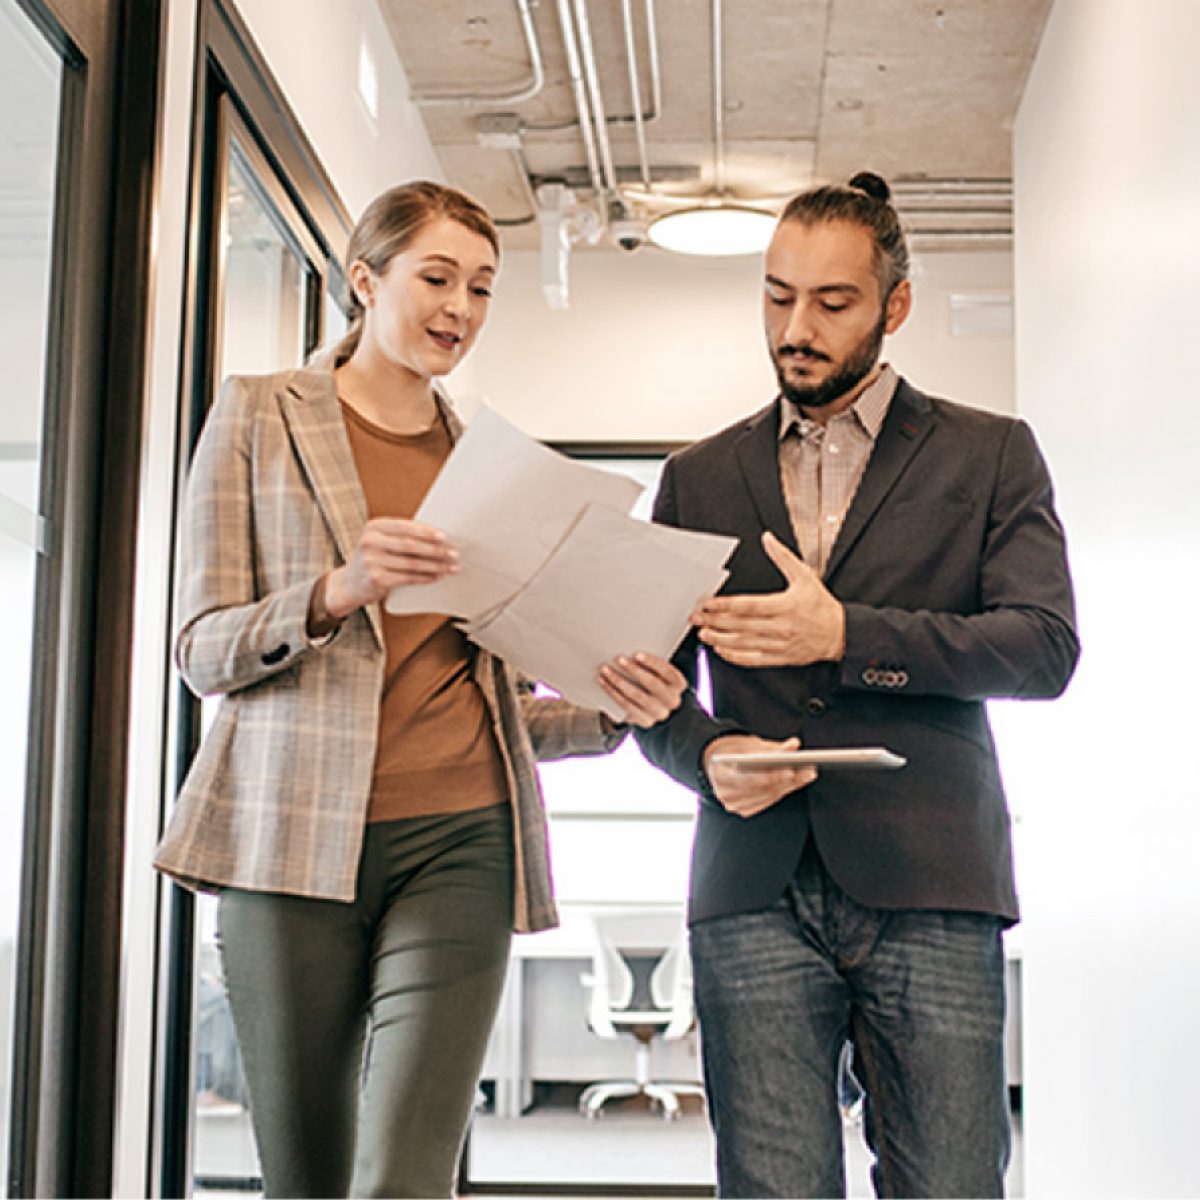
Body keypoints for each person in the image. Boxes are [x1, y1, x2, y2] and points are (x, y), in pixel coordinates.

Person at [154, 180, 686, 1200]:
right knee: (306, 1178)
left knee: (406, 1178)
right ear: (365, 279)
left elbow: (507, 702)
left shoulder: (487, 462)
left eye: (483, 288)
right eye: (437, 277)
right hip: (290, 844)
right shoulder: (258, 413)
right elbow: (201, 651)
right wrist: (338, 589)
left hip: (463, 838)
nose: (461, 309)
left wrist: (614, 703)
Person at [636, 171, 1079, 1199]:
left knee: (951, 1185)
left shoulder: (992, 454)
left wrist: (845, 634)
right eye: (777, 295)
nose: (797, 326)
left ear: (896, 304)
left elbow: (1043, 647)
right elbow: (646, 693)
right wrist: (704, 755)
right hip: (752, 884)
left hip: (933, 881)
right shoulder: (696, 477)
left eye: (831, 303)